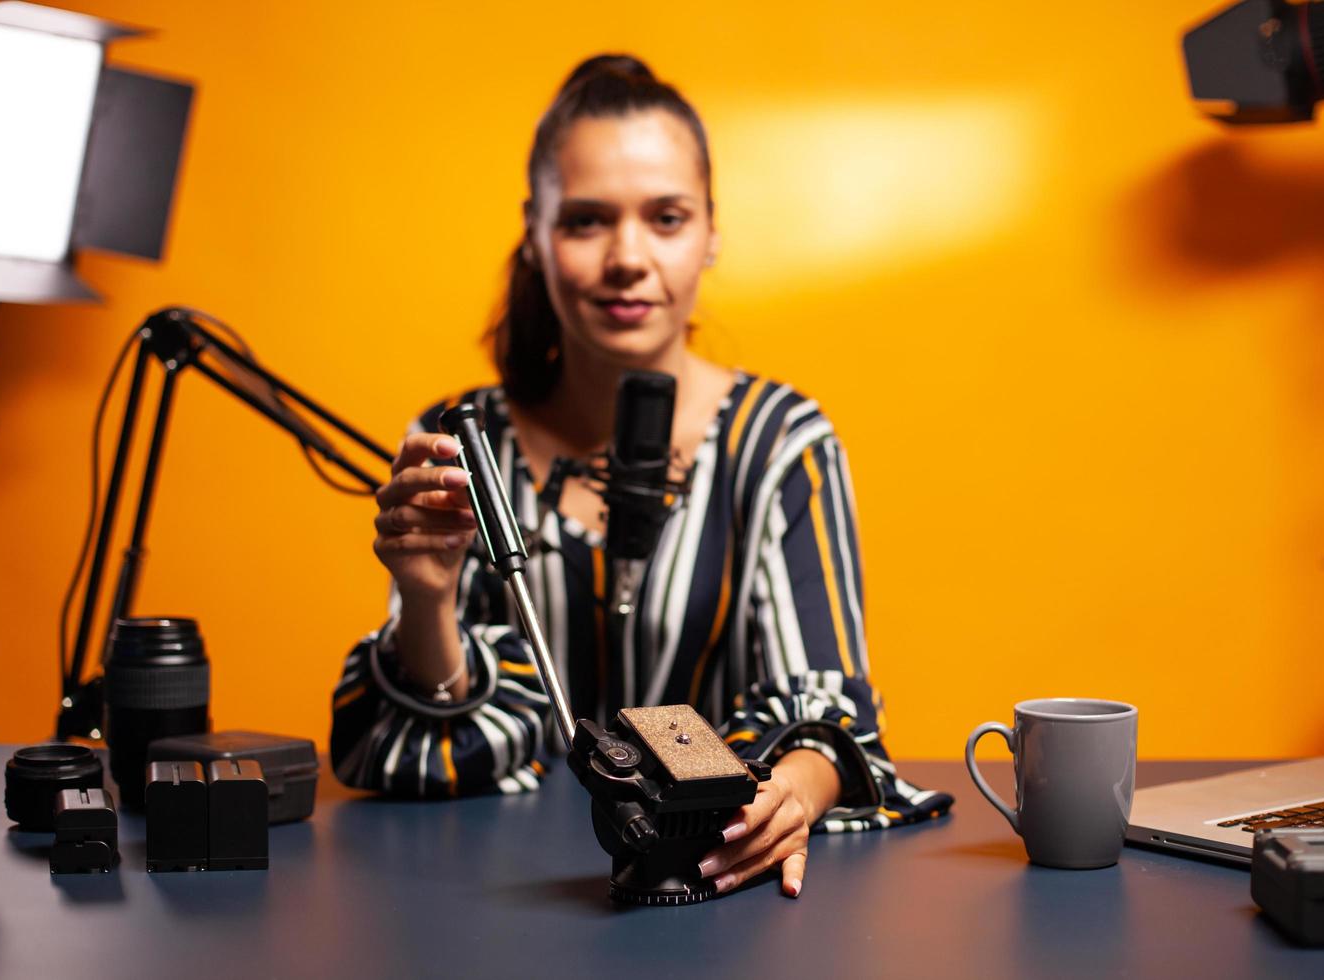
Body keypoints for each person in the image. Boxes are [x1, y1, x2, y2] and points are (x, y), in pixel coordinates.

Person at [331, 54, 951, 899]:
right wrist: (430, 599)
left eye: (665, 218)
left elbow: (829, 710)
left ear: (711, 231)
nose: (628, 257)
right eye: (587, 221)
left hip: (725, 890)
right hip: (491, 894)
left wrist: (786, 800)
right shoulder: (460, 442)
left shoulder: (780, 442)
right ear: (535, 229)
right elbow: (417, 739)